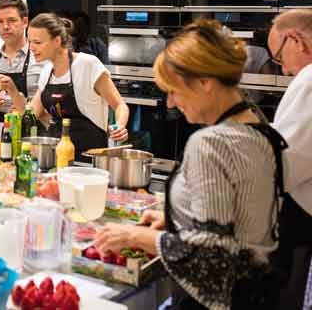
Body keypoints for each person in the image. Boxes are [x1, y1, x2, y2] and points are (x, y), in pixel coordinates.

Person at [94, 19, 284, 309]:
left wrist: (137, 236)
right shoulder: (260, 126)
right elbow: (239, 215)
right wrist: (177, 220)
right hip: (260, 294)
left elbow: (212, 255)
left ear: (205, 82)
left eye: (173, 91)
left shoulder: (211, 143)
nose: (170, 103)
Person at [27, 13, 128, 157]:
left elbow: (120, 105)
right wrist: (12, 92)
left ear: (57, 41)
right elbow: (34, 113)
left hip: (89, 157)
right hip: (57, 156)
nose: (31, 47)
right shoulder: (47, 71)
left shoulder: (87, 64)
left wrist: (120, 126)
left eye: (37, 42)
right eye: (29, 42)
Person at [268, 8, 312, 308]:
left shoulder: (309, 79)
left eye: (279, 58)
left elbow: (283, 164)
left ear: (296, 40)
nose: (283, 70)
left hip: (302, 221)